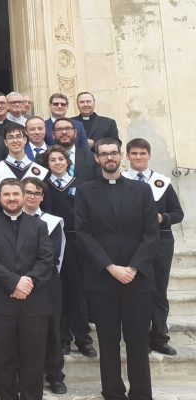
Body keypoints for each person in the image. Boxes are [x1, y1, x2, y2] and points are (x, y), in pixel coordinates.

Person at [75, 138, 159, 400]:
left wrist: (133, 267)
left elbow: (151, 234)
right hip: (103, 279)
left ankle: (141, 393)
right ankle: (112, 392)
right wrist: (110, 267)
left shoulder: (142, 190)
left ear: (121, 156)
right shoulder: (85, 192)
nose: (109, 158)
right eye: (104, 154)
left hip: (138, 279)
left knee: (138, 341)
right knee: (108, 341)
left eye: (113, 153)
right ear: (97, 159)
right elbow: (83, 233)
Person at [0, 177, 55, 400]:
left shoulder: (39, 225)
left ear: (23, 196)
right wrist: (14, 282)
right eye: (7, 194)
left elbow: (46, 259)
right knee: (3, 359)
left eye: (15, 194)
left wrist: (28, 282)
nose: (11, 198)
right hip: (1, 303)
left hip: (34, 301)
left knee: (34, 359)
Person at [122, 138, 184, 355]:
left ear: (149, 155)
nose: (138, 157)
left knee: (159, 290)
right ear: (127, 156)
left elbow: (178, 213)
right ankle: (139, 338)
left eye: (142, 153)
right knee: (135, 291)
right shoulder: (122, 181)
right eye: (134, 153)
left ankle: (159, 337)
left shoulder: (162, 182)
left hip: (161, 242)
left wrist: (162, 217)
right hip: (132, 243)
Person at [39, 145, 95, 357]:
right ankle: (63, 338)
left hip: (76, 241)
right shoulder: (43, 187)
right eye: (52, 160)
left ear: (67, 162)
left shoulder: (81, 185)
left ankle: (83, 338)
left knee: (78, 291)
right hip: (53, 241)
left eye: (61, 159)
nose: (57, 163)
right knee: (58, 290)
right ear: (48, 164)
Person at [21, 177, 67, 394]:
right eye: (28, 192)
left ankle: (55, 374)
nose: (32, 196)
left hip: (46, 282)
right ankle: (24, 373)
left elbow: (51, 256)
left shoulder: (52, 222)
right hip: (18, 283)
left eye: (37, 193)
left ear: (42, 197)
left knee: (52, 329)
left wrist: (30, 277)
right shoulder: (12, 220)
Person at [0, 125, 49, 211]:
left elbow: (46, 204)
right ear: (5, 142)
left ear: (25, 140)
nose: (15, 140)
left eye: (19, 136)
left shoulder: (40, 171)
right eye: (10, 138)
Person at [51, 117, 100, 182]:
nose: (64, 132)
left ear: (75, 133)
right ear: (53, 135)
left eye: (68, 128)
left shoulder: (92, 158)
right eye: (59, 129)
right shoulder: (43, 159)